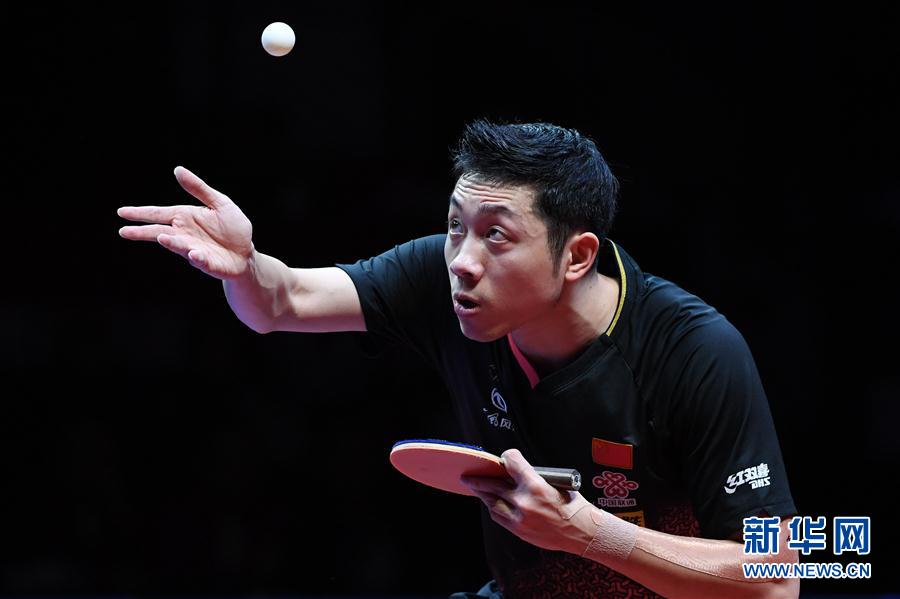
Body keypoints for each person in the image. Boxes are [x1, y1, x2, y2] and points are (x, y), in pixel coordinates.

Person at [117, 120, 800, 598]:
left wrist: (589, 534)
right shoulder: (442, 282)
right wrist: (246, 268)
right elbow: (282, 301)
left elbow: (774, 579)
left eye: (496, 234)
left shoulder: (694, 351)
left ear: (577, 256)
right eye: (454, 226)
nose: (462, 261)